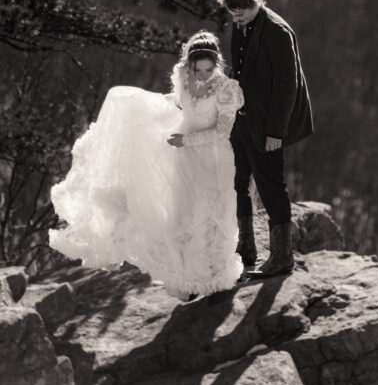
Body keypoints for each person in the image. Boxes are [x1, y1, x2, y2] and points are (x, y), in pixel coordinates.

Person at [49, 31, 244, 301]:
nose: (202, 75)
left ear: (217, 64)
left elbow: (222, 132)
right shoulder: (183, 77)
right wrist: (140, 108)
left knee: (209, 215)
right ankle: (187, 280)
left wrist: (187, 140)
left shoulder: (227, 89)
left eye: (208, 69)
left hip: (213, 157)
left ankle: (213, 277)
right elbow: (177, 104)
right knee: (182, 214)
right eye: (197, 69)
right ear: (189, 65)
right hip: (184, 157)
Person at [221, 0, 313, 276]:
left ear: (257, 2)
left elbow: (288, 85)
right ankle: (246, 248)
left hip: (267, 124)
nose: (237, 18)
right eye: (232, 13)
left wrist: (276, 132)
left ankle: (283, 259)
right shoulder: (240, 22)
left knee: (271, 187)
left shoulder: (276, 31)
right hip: (242, 117)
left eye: (242, 12)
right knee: (237, 183)